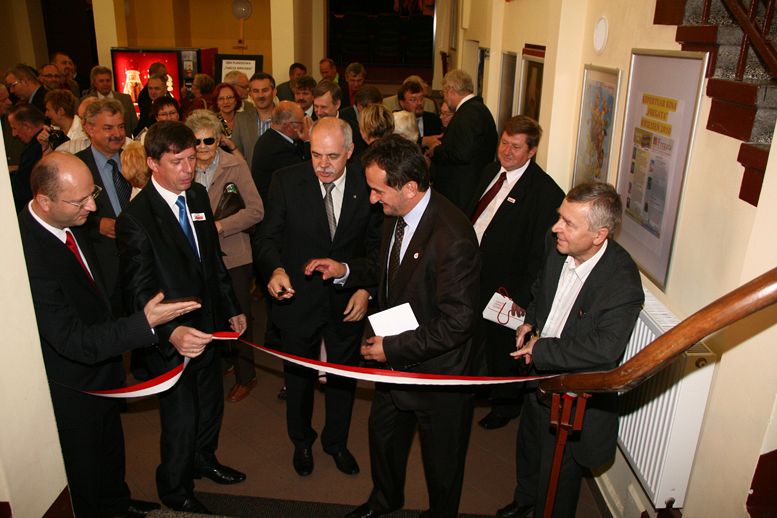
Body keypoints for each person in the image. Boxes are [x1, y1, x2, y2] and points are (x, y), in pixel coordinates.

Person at [19, 151, 201, 518]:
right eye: (80, 200)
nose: (91, 207)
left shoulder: (71, 221)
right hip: (73, 384)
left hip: (104, 370)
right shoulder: (25, 253)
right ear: (44, 200)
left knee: (110, 451)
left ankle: (117, 503)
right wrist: (144, 324)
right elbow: (73, 340)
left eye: (93, 194)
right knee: (84, 467)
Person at [327, 134, 482, 518]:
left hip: (438, 374)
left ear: (410, 187)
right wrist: (346, 271)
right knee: (383, 438)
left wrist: (392, 348)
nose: (372, 199)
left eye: (379, 190)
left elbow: (458, 322)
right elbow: (388, 272)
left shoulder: (453, 237)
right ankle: (385, 499)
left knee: (442, 463)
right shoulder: (395, 215)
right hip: (395, 363)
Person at [116, 121, 248, 513]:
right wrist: (171, 332)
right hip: (172, 337)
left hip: (208, 324)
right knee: (180, 415)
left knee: (211, 402)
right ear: (153, 163)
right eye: (178, 162)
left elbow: (212, 262)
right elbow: (137, 292)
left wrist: (232, 307)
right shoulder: (136, 218)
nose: (189, 169)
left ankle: (204, 459)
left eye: (192, 158)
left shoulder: (198, 196)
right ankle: (174, 488)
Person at [496, 182, 644, 518]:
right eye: (559, 217)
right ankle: (525, 500)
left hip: (572, 395)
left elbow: (605, 349)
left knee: (558, 474)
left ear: (599, 235)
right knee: (529, 446)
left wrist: (541, 349)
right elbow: (541, 289)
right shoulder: (558, 246)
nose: (555, 228)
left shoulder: (622, 282)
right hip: (536, 379)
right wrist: (530, 322)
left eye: (568, 223)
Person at [256, 117, 382, 478]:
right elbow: (266, 238)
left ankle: (336, 443)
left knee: (343, 378)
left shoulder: (367, 184)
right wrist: (275, 270)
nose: (323, 165)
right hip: (298, 299)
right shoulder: (286, 181)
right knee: (298, 379)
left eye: (332, 156)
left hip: (347, 300)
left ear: (351, 151)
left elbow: (378, 248)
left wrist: (365, 289)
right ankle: (302, 441)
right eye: (315, 155)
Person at [467, 115, 564, 430]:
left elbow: (542, 255)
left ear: (532, 151)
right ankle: (476, 387)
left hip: (507, 288)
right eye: (504, 143)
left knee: (502, 347)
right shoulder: (489, 172)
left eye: (516, 147)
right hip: (472, 275)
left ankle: (505, 405)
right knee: (473, 337)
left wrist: (523, 297)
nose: (507, 151)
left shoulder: (546, 193)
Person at [186, 109, 264, 403]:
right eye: (197, 141)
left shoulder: (235, 165)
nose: (203, 147)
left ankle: (247, 375)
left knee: (240, 315)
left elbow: (256, 211)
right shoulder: (184, 167)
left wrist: (219, 226)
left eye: (209, 140)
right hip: (198, 256)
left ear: (219, 139)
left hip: (234, 254)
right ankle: (223, 363)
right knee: (209, 314)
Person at [75, 98, 133, 311]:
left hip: (140, 267)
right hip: (103, 269)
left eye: (121, 126)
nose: (117, 134)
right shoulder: (77, 167)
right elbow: (64, 215)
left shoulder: (136, 160)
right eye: (108, 128)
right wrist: (96, 224)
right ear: (89, 129)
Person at [427, 69, 498, 212]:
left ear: (451, 90)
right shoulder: (476, 110)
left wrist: (436, 150)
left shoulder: (469, 113)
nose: (444, 98)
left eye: (443, 93)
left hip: (462, 192)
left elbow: (461, 153)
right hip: (467, 188)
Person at [250, 101, 308, 203]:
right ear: (288, 126)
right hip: (275, 206)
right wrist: (308, 141)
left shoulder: (275, 137)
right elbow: (304, 173)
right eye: (301, 123)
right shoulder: (275, 148)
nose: (304, 127)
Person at [231, 72, 276, 168]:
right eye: (256, 91)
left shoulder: (286, 117)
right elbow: (236, 153)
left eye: (265, 90)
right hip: (250, 175)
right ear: (250, 94)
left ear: (274, 92)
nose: (260, 95)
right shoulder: (241, 119)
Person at [7, 104, 45, 211]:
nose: (14, 134)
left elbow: (22, 189)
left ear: (26, 126)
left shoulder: (36, 148)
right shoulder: (38, 144)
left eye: (14, 128)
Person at [83, 66, 139, 136]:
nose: (105, 84)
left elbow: (135, 126)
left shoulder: (125, 99)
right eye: (101, 81)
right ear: (94, 83)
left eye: (108, 80)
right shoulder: (86, 102)